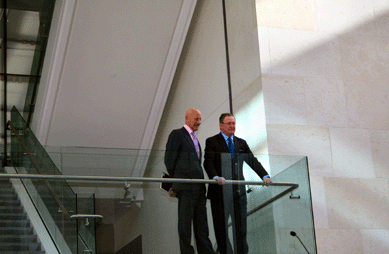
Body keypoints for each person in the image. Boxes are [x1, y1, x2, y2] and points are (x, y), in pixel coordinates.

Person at [204, 113, 272, 254]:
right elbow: (208, 162)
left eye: (233, 123)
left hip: (238, 193)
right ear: (221, 125)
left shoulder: (241, 143)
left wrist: (265, 176)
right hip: (220, 194)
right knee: (221, 230)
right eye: (228, 123)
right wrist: (215, 176)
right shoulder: (212, 141)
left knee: (241, 229)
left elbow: (252, 161)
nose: (232, 126)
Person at [164, 108, 215, 254]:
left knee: (202, 225)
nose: (198, 122)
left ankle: (206, 251)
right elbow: (169, 160)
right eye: (196, 119)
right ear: (187, 118)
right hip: (185, 186)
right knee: (185, 224)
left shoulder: (195, 139)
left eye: (200, 119)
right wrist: (177, 182)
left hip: (199, 188)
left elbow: (196, 163)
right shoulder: (177, 134)